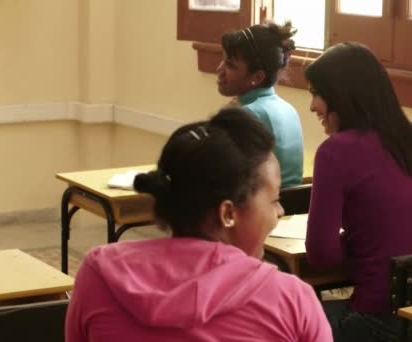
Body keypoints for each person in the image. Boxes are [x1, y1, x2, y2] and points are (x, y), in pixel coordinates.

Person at [65, 107, 332, 342]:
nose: (279, 212)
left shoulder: (98, 274)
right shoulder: (291, 300)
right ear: (228, 213)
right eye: (274, 201)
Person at [304, 42, 412, 341]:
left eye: (316, 93)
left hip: (372, 321)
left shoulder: (335, 152)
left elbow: (321, 255)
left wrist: (354, 243)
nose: (312, 105)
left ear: (342, 94)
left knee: (282, 318)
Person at [217, 21, 304, 188]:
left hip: (262, 210)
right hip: (291, 210)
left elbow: (221, 174)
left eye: (230, 65)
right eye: (223, 61)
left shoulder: (248, 114)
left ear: (257, 77)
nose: (219, 70)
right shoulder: (289, 109)